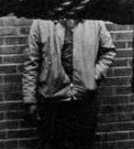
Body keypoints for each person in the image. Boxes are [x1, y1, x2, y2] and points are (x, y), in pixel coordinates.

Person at [22, 18, 116, 149]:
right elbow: (32, 62)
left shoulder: (94, 21)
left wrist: (93, 74)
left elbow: (108, 51)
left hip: (84, 101)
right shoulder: (41, 23)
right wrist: (29, 100)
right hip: (53, 102)